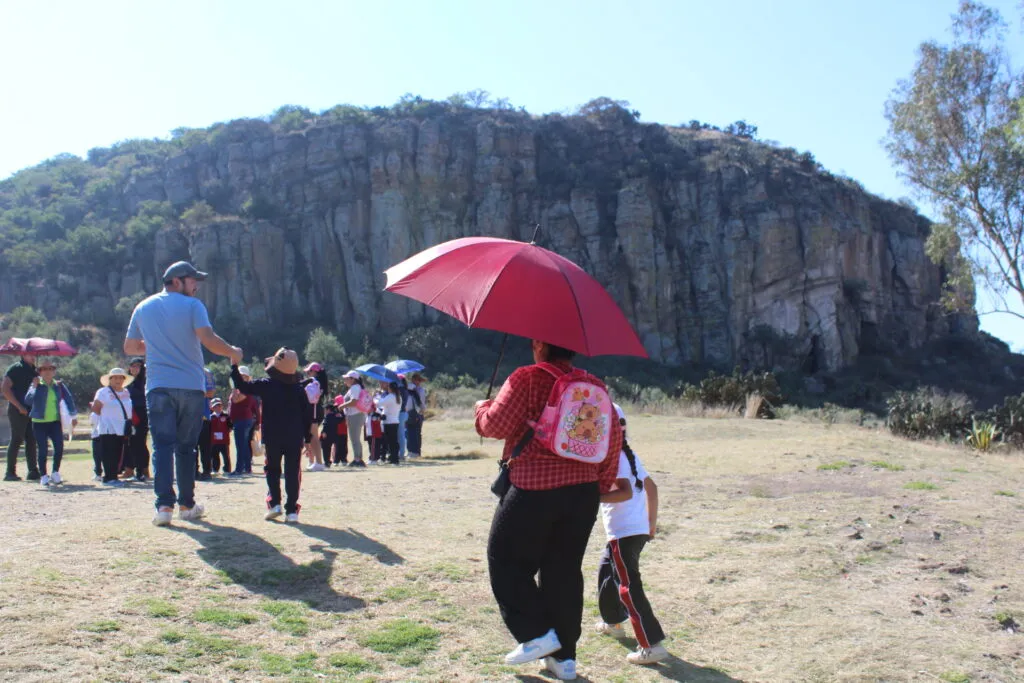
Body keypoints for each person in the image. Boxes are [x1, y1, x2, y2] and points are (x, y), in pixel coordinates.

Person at [475, 340, 623, 681]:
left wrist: (481, 410)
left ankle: (535, 635)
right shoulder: (594, 386)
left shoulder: (526, 378)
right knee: (564, 572)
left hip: (535, 487)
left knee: (506, 560)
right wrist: (599, 482)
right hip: (582, 492)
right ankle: (564, 659)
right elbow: (611, 440)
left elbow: (495, 426)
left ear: (540, 344)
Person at [124, 260, 243, 527]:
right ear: (177, 281)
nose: (196, 286)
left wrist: (158, 342)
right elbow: (209, 340)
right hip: (190, 387)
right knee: (186, 448)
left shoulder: (143, 307)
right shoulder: (192, 306)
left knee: (162, 446)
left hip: (157, 387)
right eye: (193, 281)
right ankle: (187, 506)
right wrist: (233, 352)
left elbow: (131, 347)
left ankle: (164, 507)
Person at [594, 404, 668, 666]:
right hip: (633, 531)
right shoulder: (629, 454)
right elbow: (652, 487)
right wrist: (651, 525)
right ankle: (613, 622)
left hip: (625, 533)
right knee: (607, 572)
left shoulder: (617, 458)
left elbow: (624, 492)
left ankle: (651, 644)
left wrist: (591, 497)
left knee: (628, 587)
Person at [230, 348, 310, 523]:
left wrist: (234, 365)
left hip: (273, 435)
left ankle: (274, 504)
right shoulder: (299, 389)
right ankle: (292, 510)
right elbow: (307, 416)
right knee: (292, 471)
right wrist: (309, 439)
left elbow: (242, 386)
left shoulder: (266, 385)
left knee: (272, 469)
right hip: (294, 437)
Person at [23, 359, 76, 487]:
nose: (47, 371)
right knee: (42, 449)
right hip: (39, 422)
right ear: (40, 372)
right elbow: (28, 401)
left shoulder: (59, 385)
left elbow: (69, 399)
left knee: (59, 447)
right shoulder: (36, 385)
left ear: (54, 371)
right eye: (44, 369)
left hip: (55, 421)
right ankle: (43, 475)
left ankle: (55, 472)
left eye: (50, 369)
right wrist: (34, 387)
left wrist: (73, 415)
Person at [91, 367, 134, 487]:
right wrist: (103, 421)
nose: (118, 380)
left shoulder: (126, 392)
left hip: (122, 428)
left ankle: (114, 476)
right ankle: (109, 477)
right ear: (110, 379)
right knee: (109, 453)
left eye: (121, 377)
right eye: (115, 377)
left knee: (118, 453)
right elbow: (96, 408)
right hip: (108, 427)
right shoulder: (103, 392)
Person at [3, 352, 40, 481]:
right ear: (23, 355)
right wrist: (19, 406)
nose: (33, 356)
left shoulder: (34, 371)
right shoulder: (15, 368)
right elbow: (5, 388)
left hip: (31, 410)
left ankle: (33, 471)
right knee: (17, 439)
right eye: (30, 354)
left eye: (33, 354)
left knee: (31, 439)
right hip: (17, 409)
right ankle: (10, 472)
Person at [228, 366, 258, 476]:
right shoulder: (243, 388)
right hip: (241, 419)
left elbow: (236, 399)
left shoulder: (245, 388)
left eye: (243, 375)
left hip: (243, 419)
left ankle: (239, 469)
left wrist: (234, 387)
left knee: (240, 445)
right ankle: (247, 468)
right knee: (244, 445)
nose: (240, 377)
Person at [125, 357, 150, 482]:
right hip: (127, 414)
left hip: (140, 414)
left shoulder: (145, 382)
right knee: (128, 443)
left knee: (139, 443)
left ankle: (141, 470)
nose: (135, 368)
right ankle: (129, 469)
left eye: (138, 366)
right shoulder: (125, 382)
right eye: (132, 366)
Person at [337, 371, 368, 467]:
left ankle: (358, 460)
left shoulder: (355, 388)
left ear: (353, 379)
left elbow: (354, 402)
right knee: (355, 438)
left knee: (355, 439)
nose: (345, 380)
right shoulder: (355, 388)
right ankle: (357, 458)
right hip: (355, 415)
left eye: (347, 378)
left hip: (355, 415)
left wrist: (342, 406)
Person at [302, 362, 328, 471]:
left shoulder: (314, 382)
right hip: (315, 410)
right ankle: (313, 461)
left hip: (313, 410)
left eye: (309, 371)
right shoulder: (319, 383)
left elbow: (310, 397)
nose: (307, 373)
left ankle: (319, 462)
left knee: (313, 437)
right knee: (311, 437)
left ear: (315, 372)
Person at [377, 380, 402, 465]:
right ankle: (394, 458)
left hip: (388, 422)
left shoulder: (390, 396)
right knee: (394, 441)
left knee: (390, 442)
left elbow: (379, 404)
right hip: (395, 421)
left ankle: (394, 459)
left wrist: (376, 398)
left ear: (390, 388)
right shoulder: (398, 397)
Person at [405, 372, 427, 458]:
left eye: (418, 380)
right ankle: (413, 451)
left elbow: (420, 403)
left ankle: (415, 452)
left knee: (415, 433)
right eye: (415, 380)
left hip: (417, 413)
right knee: (411, 433)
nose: (416, 382)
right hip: (412, 413)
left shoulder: (420, 390)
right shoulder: (412, 390)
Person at [208, 399, 232, 475]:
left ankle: (227, 470)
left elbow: (230, 427)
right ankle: (215, 469)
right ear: (212, 408)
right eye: (215, 406)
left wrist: (226, 432)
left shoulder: (226, 416)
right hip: (214, 440)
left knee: (226, 455)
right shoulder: (210, 417)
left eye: (219, 406)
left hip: (224, 440)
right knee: (214, 455)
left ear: (221, 406)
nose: (218, 407)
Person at [397, 375, 411, 459]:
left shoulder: (400, 390)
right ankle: (401, 452)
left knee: (400, 435)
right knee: (401, 434)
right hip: (403, 413)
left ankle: (401, 454)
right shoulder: (404, 389)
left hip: (400, 413)